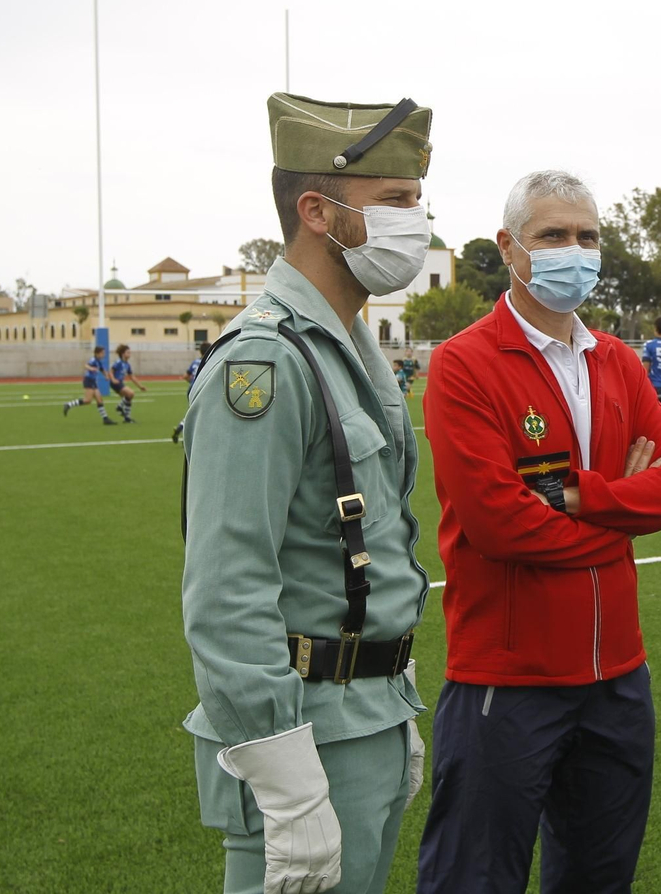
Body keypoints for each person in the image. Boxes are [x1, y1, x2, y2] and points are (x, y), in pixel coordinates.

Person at [418, 169, 661, 894]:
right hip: (507, 682)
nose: (574, 250)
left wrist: (584, 496)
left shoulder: (618, 362)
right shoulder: (463, 364)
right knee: (472, 881)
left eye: (587, 237)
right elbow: (501, 525)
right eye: (554, 236)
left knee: (598, 880)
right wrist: (625, 511)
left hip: (618, 681)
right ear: (509, 247)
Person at [180, 92, 436, 894]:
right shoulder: (262, 363)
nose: (416, 223)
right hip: (306, 739)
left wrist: (395, 700)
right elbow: (226, 591)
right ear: (319, 212)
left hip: (369, 716)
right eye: (395, 202)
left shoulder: (351, 346)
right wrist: (288, 786)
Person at [62, 346, 116, 425]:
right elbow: (86, 365)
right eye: (102, 353)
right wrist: (91, 368)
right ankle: (68, 404)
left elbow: (102, 369)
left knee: (99, 399)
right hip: (88, 380)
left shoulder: (98, 361)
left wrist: (106, 375)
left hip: (93, 381)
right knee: (87, 400)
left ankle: (105, 419)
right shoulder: (93, 360)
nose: (104, 355)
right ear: (97, 353)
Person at [173, 341, 209, 444]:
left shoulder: (195, 362)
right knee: (199, 414)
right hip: (200, 390)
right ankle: (185, 435)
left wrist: (191, 382)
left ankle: (180, 429)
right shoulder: (208, 361)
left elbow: (186, 376)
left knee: (194, 412)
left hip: (191, 389)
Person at [109, 344, 147, 423]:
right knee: (131, 393)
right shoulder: (118, 362)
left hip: (120, 383)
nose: (129, 354)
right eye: (128, 352)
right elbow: (111, 371)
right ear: (123, 354)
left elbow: (132, 377)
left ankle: (127, 418)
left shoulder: (127, 365)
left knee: (128, 399)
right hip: (116, 383)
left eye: (130, 353)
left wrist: (140, 386)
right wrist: (113, 379)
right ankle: (119, 407)